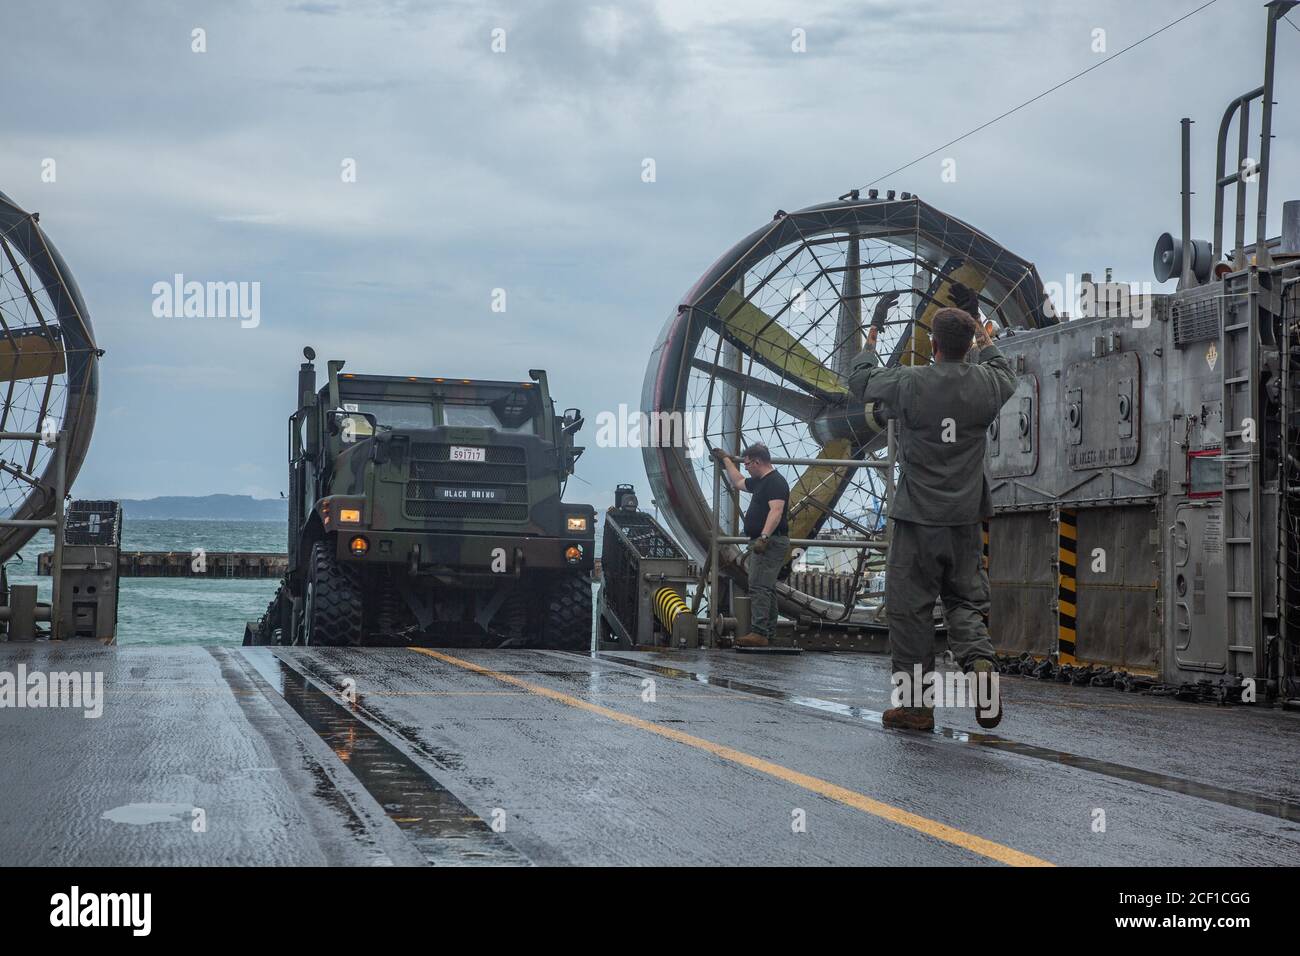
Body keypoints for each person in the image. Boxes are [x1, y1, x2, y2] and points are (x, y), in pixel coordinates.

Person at [847, 299, 1017, 730]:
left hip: (917, 518)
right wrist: (982, 331)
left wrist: (874, 333)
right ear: (967, 345)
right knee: (964, 601)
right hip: (964, 519)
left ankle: (916, 707)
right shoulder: (987, 383)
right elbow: (1006, 372)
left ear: (931, 343)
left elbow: (861, 380)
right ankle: (980, 664)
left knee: (910, 611)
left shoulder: (909, 381)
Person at [712, 442, 790, 648]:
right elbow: (738, 482)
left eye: (747, 464)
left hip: (768, 542)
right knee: (767, 587)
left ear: (757, 462)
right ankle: (767, 632)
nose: (745, 467)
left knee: (758, 586)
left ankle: (760, 633)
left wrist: (764, 537)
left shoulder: (775, 482)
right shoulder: (761, 482)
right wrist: (727, 460)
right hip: (764, 541)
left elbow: (776, 511)